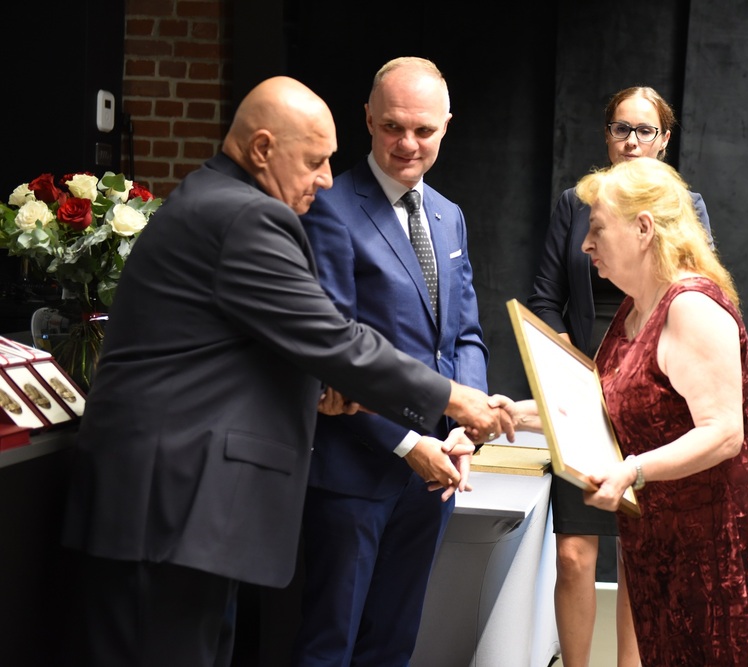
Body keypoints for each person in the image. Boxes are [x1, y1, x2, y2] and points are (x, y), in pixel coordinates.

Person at [58, 75, 506, 667]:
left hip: (173, 510)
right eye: (316, 161)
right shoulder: (245, 216)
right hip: (169, 511)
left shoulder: (216, 199)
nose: (325, 179)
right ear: (263, 149)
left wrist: (323, 388)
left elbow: (252, 348)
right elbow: (331, 338)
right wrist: (457, 399)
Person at [505, 156, 748, 665]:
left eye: (598, 230)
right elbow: (604, 403)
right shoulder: (637, 307)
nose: (586, 245)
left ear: (644, 228)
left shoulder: (691, 305)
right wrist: (516, 414)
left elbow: (723, 434)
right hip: (660, 531)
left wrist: (633, 468)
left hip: (714, 532)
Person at [291, 57, 497, 667]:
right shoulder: (329, 208)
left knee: (395, 643)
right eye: (392, 127)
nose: (407, 144)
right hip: (356, 469)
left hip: (436, 474)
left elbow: (464, 336)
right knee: (330, 644)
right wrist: (409, 442)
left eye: (423, 130)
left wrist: (468, 423)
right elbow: (333, 350)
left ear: (446, 126)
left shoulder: (448, 214)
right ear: (368, 119)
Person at [526, 85, 712, 667]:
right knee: (574, 556)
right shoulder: (573, 203)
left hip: (654, 397)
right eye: (620, 129)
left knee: (641, 558)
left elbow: (696, 296)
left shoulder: (688, 207)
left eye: (645, 130)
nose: (632, 141)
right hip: (583, 395)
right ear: (606, 135)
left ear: (665, 139)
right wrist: (568, 364)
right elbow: (545, 298)